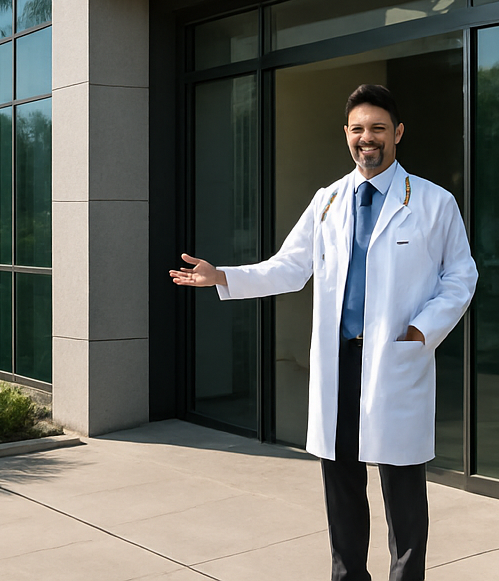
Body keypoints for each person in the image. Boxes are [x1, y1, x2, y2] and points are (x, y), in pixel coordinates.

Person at [170, 83, 477, 581]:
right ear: (346, 134)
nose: (367, 138)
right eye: (358, 129)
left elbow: (461, 276)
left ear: (397, 133)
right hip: (339, 363)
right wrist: (222, 275)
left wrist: (421, 332)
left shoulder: (432, 201)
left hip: (395, 359)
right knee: (341, 485)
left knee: (402, 489)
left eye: (378, 128)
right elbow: (289, 268)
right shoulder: (328, 200)